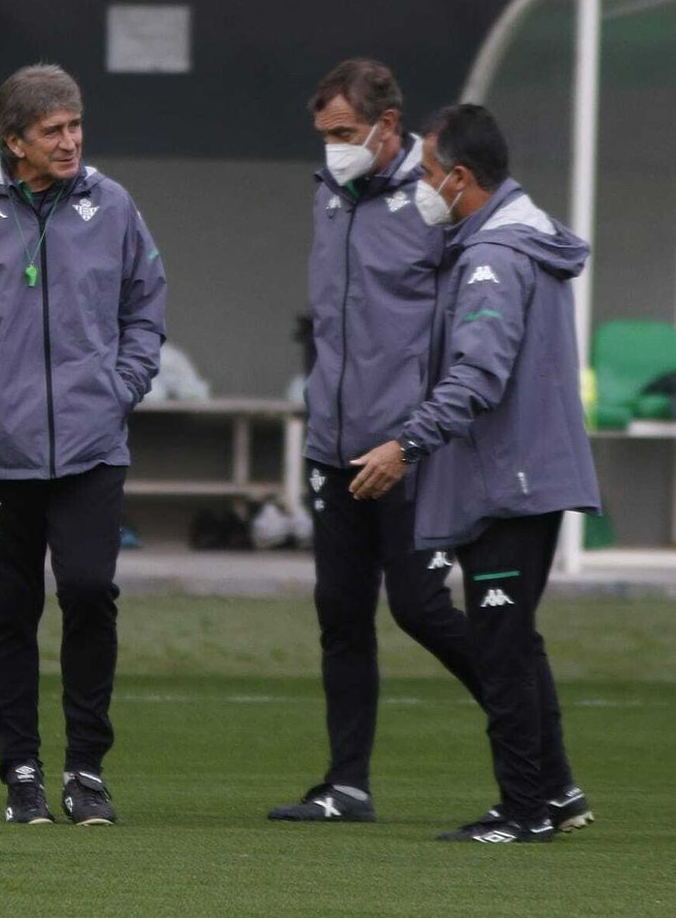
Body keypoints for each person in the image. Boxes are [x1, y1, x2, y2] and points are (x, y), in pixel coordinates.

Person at [0, 63, 166, 825]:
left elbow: (146, 303)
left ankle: (87, 770)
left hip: (92, 448)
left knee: (87, 590)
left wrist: (124, 382)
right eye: (52, 131)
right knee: (7, 614)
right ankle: (21, 772)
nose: (70, 141)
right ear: (14, 142)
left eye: (75, 125)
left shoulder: (112, 206)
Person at [347, 103, 599, 843]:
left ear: (459, 178)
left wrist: (405, 446)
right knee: (512, 641)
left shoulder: (493, 258)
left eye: (427, 173)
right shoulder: (517, 242)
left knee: (498, 643)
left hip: (509, 484)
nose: (422, 187)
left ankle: (523, 809)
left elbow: (477, 378)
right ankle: (549, 792)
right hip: (522, 476)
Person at [269, 59, 483, 824]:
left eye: (346, 134)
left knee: (422, 609)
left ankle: (526, 728)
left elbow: (470, 315)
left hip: (408, 449)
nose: (333, 148)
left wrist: (425, 426)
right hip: (333, 445)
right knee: (341, 613)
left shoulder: (435, 202)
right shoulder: (327, 197)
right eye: (325, 134)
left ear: (389, 127)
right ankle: (346, 784)